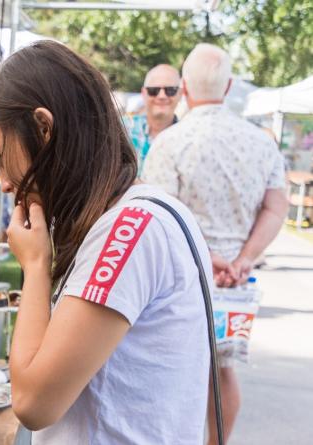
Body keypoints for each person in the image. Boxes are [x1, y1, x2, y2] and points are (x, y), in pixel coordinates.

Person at [0, 41, 212, 443]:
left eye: (0, 158)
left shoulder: (129, 230)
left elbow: (32, 403)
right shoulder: (139, 215)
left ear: (44, 128)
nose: (4, 183)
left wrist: (36, 267)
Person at [142, 43, 287, 445]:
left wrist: (210, 258)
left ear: (184, 87)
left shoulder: (170, 143)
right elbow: (276, 207)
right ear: (229, 87)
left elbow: (160, 217)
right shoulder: (260, 142)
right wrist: (243, 259)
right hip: (237, 285)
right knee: (222, 371)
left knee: (175, 368)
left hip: (183, 279)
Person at [127, 64, 182, 173]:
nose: (162, 96)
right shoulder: (122, 130)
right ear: (143, 93)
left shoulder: (188, 138)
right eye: (154, 90)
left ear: (180, 94)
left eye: (170, 90)